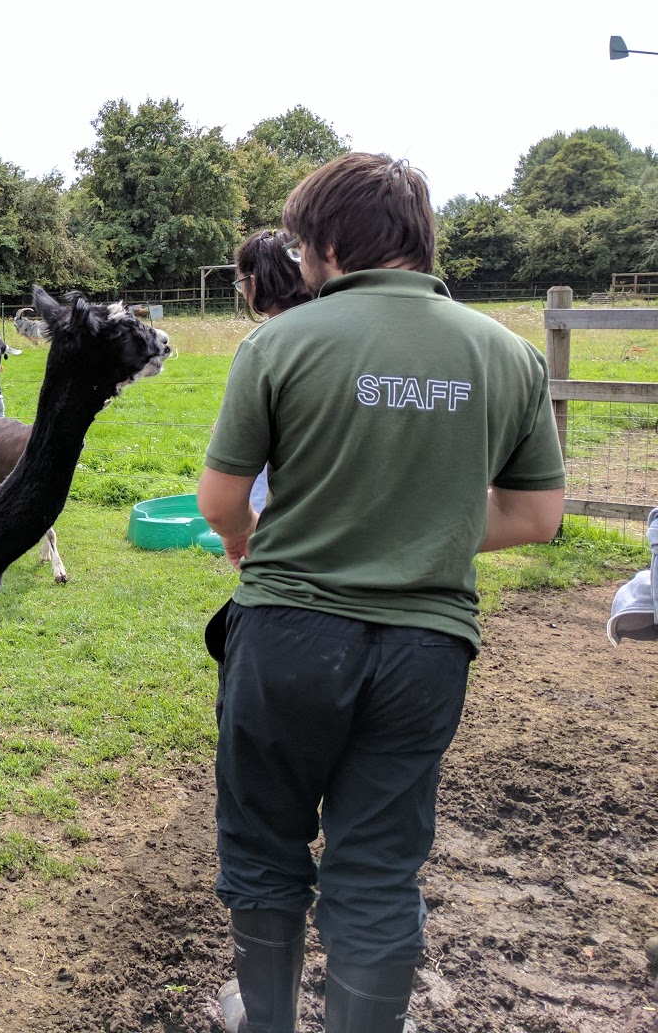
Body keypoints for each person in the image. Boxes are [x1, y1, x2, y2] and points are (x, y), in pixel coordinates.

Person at [196, 154, 564, 1033]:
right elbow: (537, 515)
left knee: (264, 847)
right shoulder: (508, 355)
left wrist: (266, 537)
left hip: (286, 636)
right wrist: (418, 523)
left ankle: (268, 1020)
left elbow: (218, 503)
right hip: (425, 651)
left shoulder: (278, 343)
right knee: (378, 868)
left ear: (327, 244)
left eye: (299, 245)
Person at [231, 229, 314, 513]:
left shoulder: (262, 344)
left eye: (241, 284)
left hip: (280, 509)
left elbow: (238, 447)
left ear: (253, 282)